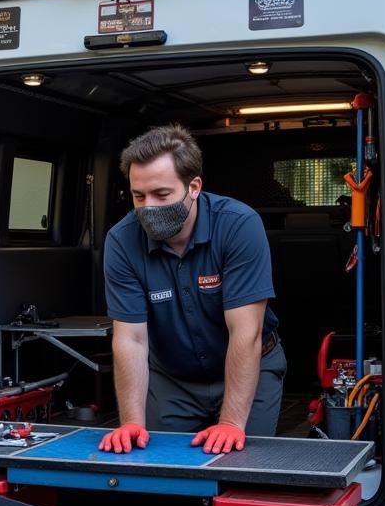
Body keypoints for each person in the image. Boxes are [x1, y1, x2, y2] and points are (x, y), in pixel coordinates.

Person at [98, 124, 285, 455]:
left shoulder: (239, 225)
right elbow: (131, 338)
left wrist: (229, 423)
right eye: (139, 196)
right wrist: (130, 422)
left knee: (244, 470)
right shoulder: (121, 241)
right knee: (160, 470)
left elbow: (246, 332)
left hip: (248, 367)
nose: (148, 207)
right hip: (172, 379)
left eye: (162, 195)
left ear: (194, 186)